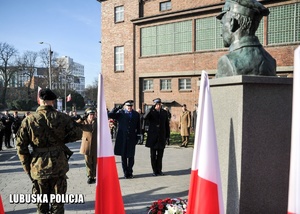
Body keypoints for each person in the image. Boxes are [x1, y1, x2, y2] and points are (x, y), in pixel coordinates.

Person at [16, 88, 83, 214]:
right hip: (58, 165)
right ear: (53, 101)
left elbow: (20, 146)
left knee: (41, 204)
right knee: (58, 203)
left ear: (40, 100)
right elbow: (78, 134)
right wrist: (62, 139)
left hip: (38, 166)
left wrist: (27, 167)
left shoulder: (29, 120)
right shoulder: (62, 117)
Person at [216, 0, 276, 77]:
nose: (220, 33)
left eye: (223, 24)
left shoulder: (227, 61)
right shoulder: (270, 61)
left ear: (232, 23)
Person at [108, 100, 140, 179]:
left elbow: (138, 125)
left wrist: (139, 136)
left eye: (130, 106)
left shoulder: (136, 114)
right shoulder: (121, 113)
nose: (129, 108)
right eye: (128, 106)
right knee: (123, 156)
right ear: (125, 106)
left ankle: (130, 171)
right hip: (122, 137)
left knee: (131, 156)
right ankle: (125, 172)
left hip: (132, 137)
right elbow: (110, 115)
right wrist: (116, 108)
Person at [144, 98, 170, 176]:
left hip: (161, 137)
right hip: (153, 137)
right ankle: (154, 171)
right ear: (154, 105)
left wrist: (167, 136)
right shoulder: (151, 112)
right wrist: (151, 108)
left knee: (160, 155)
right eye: (157, 105)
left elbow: (166, 125)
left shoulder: (164, 112)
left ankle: (159, 170)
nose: (158, 106)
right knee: (153, 155)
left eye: (159, 104)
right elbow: (144, 117)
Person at [77, 107, 98, 184]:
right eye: (90, 114)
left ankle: (94, 175)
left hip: (95, 145)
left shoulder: (97, 122)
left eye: (93, 114)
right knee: (88, 162)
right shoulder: (84, 122)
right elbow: (75, 124)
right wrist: (82, 119)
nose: (92, 116)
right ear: (87, 115)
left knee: (95, 161)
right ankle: (90, 176)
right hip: (86, 145)